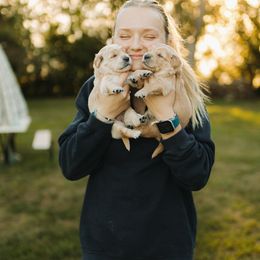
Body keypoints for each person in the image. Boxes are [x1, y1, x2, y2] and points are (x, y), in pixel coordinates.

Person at [58, 1, 215, 259]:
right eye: (124, 35)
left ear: (168, 43)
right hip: (105, 244)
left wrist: (166, 115)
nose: (135, 44)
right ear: (112, 40)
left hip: (169, 244)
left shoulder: (185, 91)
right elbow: (71, 165)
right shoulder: (96, 89)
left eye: (150, 36)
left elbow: (197, 175)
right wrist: (104, 115)